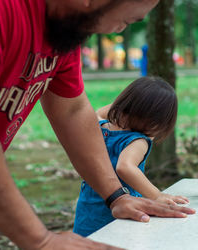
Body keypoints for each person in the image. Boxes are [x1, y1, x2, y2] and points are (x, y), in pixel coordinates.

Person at [0, 0, 195, 249]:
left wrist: (117, 197)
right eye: (126, 21)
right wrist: (41, 240)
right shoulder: (5, 12)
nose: (119, 30)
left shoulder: (62, 31)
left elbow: (73, 110)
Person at [73, 76, 189, 237]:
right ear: (157, 122)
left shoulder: (99, 127)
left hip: (87, 210)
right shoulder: (137, 140)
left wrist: (123, 105)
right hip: (118, 214)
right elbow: (125, 167)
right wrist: (157, 195)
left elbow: (98, 112)